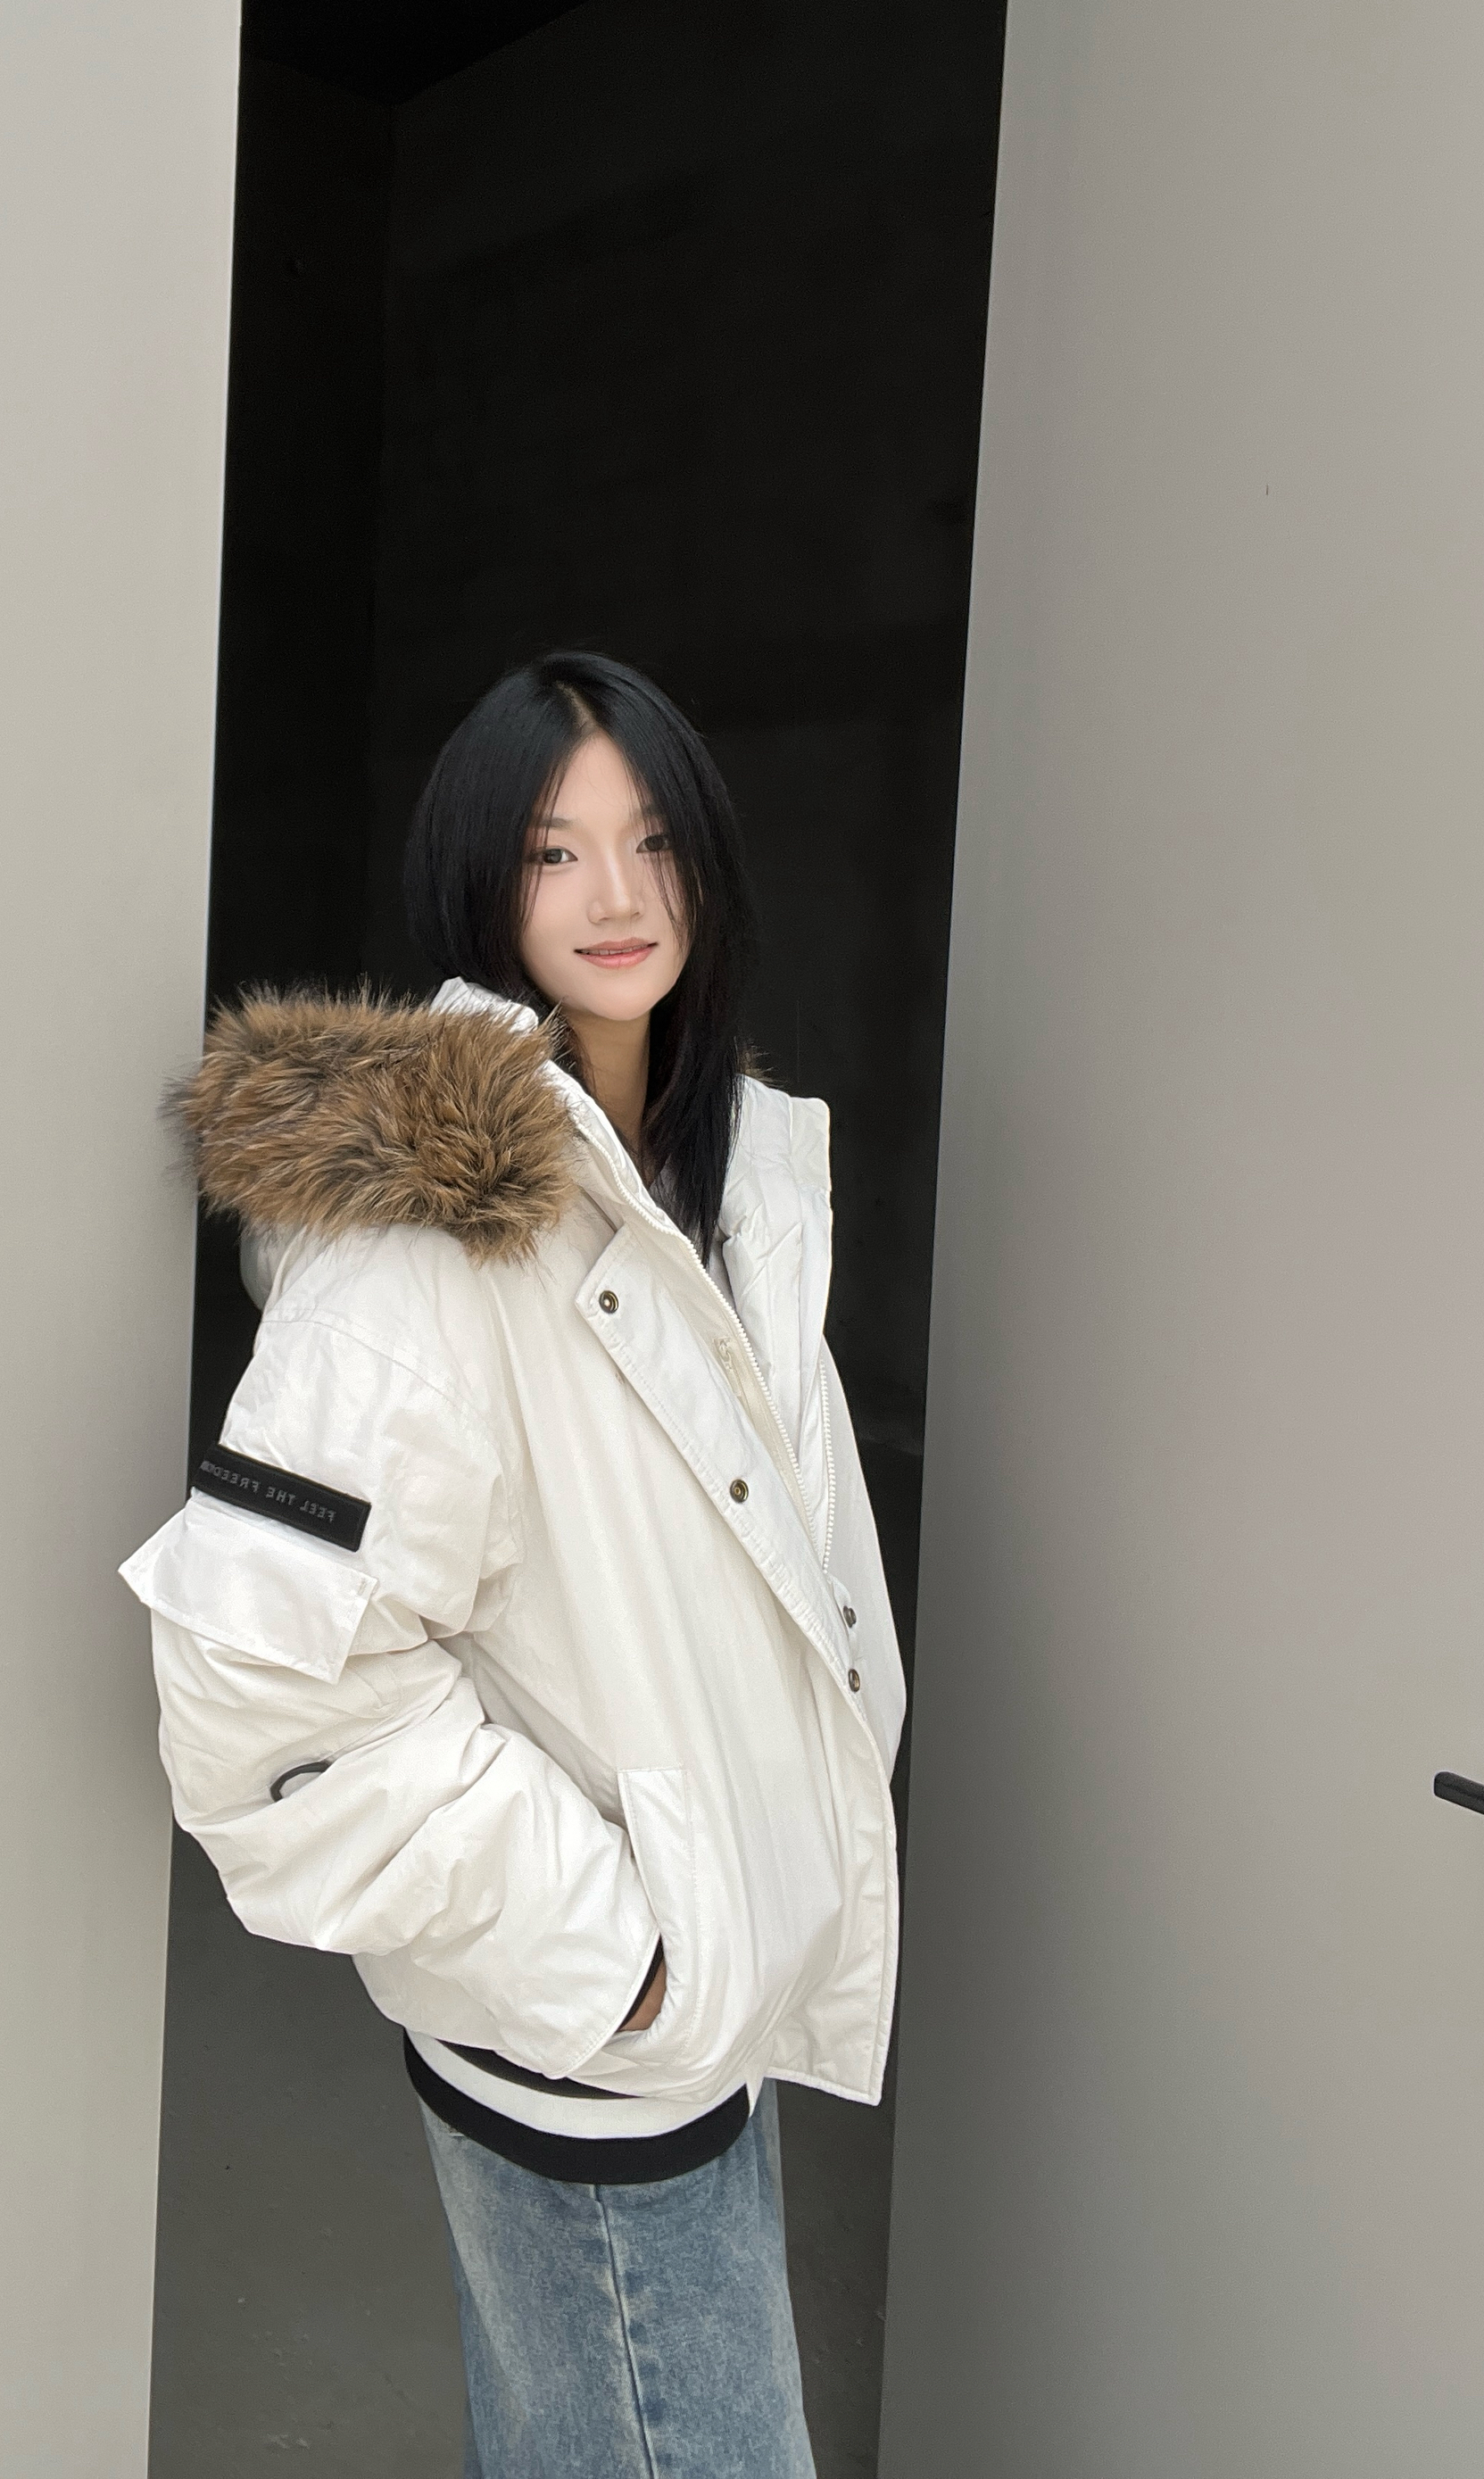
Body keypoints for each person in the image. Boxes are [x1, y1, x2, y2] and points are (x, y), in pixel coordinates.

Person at [120, 651, 903, 2477]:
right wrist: (624, 1961)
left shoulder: (729, 1173)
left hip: (703, 2000)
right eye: (556, 851)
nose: (617, 895)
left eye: (652, 839)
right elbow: (262, 1711)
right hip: (599, 2039)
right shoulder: (422, 1251)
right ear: (480, 880)